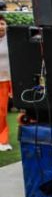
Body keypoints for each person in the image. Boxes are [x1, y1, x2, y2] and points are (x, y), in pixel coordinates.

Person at [0, 18, 9, 151]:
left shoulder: (11, 40)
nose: (0, 27)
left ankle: (3, 140)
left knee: (1, 112)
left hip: (9, 80)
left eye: (2, 24)